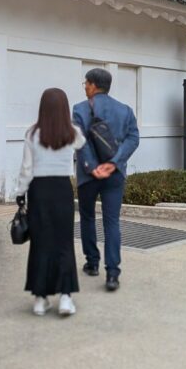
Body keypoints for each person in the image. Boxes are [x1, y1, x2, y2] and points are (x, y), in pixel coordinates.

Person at [16, 88, 86, 316]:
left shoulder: (32, 134)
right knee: (64, 243)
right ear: (65, 108)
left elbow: (26, 168)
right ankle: (65, 297)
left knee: (40, 243)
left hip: (39, 191)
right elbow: (82, 142)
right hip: (62, 190)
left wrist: (20, 193)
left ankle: (40, 299)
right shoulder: (72, 133)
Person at [73, 68, 140, 292]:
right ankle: (112, 273)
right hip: (115, 174)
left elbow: (79, 141)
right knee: (112, 221)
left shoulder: (80, 109)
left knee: (87, 217)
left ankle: (92, 263)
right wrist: (114, 162)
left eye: (86, 83)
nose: (85, 87)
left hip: (87, 176)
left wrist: (93, 168)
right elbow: (133, 138)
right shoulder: (125, 110)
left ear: (93, 85)